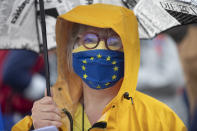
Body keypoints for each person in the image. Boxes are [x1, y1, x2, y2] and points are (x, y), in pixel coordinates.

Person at [12, 4, 186, 131]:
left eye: (114, 41)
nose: (101, 49)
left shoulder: (159, 120)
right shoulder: (47, 117)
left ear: (129, 51)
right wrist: (41, 129)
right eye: (89, 40)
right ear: (71, 47)